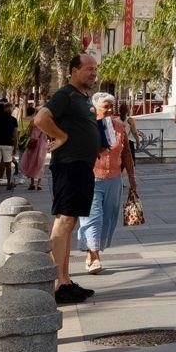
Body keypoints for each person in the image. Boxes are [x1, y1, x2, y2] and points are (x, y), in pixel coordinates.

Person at [33, 53, 101, 305]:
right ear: (74, 70)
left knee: (71, 221)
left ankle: (65, 280)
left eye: (95, 69)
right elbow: (41, 118)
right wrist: (60, 136)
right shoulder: (66, 94)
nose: (93, 73)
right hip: (69, 165)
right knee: (64, 220)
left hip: (82, 166)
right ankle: (58, 282)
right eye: (88, 69)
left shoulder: (83, 98)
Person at [78, 93, 137, 274]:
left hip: (114, 179)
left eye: (112, 106)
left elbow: (126, 153)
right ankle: (93, 256)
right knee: (93, 217)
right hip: (91, 178)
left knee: (108, 218)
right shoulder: (86, 127)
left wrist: (132, 179)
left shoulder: (119, 126)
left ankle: (93, 250)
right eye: (106, 106)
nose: (110, 110)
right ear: (95, 108)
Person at [0, 101, 18, 193]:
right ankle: (9, 183)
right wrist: (15, 146)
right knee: (8, 164)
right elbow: (15, 134)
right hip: (8, 144)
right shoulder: (13, 120)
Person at [18, 116, 49, 191]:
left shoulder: (33, 121)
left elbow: (29, 133)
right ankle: (39, 184)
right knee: (40, 163)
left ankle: (32, 183)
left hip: (33, 144)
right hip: (42, 145)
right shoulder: (46, 122)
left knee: (31, 163)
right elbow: (49, 134)